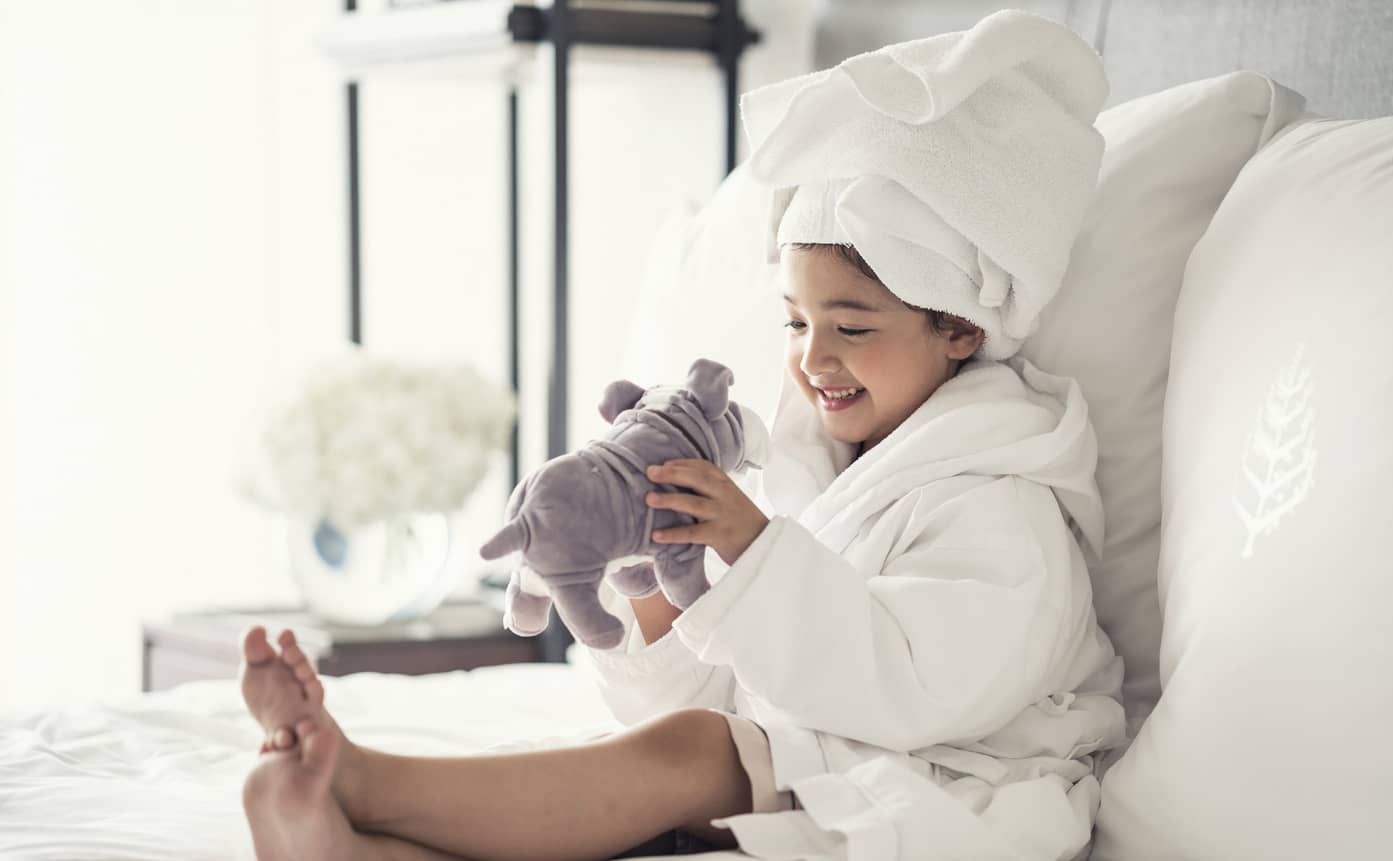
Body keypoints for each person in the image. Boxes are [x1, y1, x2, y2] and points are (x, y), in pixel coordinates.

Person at [239, 10, 1128, 861]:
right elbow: (743, 688)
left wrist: (751, 547)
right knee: (650, 774)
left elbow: (910, 684)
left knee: (689, 758)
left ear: (961, 329)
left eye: (852, 327)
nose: (814, 357)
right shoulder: (817, 473)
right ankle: (347, 842)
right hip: (818, 761)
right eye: (794, 324)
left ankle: (362, 781)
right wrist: (658, 595)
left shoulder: (1009, 509)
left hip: (961, 787)